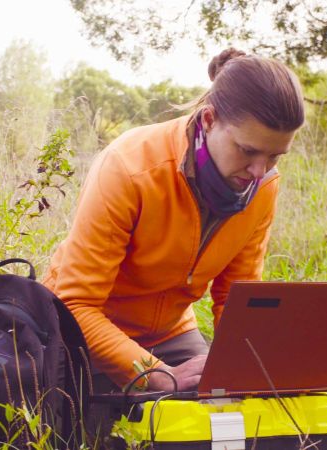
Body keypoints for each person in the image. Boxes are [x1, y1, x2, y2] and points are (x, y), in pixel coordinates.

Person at [43, 48, 305, 396]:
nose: (259, 171)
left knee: (225, 411)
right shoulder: (129, 167)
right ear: (210, 120)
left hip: (170, 334)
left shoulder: (264, 185)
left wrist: (252, 369)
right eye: (247, 151)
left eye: (274, 156)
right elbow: (77, 306)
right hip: (80, 332)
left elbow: (236, 298)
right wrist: (157, 374)